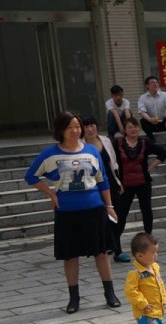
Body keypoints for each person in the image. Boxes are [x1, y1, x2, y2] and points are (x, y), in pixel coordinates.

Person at [24, 111, 121, 313]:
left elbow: (102, 180)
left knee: (101, 252)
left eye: (77, 127)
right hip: (67, 211)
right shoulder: (50, 154)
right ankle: (74, 298)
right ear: (60, 130)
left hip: (94, 208)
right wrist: (51, 194)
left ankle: (110, 293)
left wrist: (109, 206)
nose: (75, 131)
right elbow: (31, 176)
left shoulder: (91, 151)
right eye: (70, 127)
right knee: (70, 256)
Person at [81, 115, 129, 263]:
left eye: (92, 125)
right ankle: (107, 247)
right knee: (100, 218)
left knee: (116, 217)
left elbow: (114, 163)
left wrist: (119, 181)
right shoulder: (80, 145)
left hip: (110, 183)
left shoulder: (106, 141)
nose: (90, 129)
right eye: (86, 126)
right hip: (92, 186)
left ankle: (116, 248)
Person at [113, 117, 166, 236]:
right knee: (122, 213)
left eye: (135, 126)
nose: (133, 129)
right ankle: (116, 240)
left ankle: (148, 236)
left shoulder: (145, 143)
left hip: (143, 182)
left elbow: (163, 153)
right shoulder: (117, 144)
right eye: (130, 127)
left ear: (139, 128)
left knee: (146, 210)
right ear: (125, 130)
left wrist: (150, 167)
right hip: (125, 184)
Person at [124, 232, 166, 324]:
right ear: (140, 255)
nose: (156, 255)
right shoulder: (135, 273)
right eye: (153, 252)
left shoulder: (154, 267)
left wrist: (163, 298)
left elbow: (160, 284)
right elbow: (131, 291)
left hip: (157, 308)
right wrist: (142, 303)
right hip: (146, 311)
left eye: (156, 252)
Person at [138, 75, 166, 144]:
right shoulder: (142, 97)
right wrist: (150, 119)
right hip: (151, 123)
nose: (155, 84)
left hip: (164, 123)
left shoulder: (165, 95)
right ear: (147, 85)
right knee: (143, 121)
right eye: (152, 82)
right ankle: (151, 138)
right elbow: (142, 111)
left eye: (156, 82)